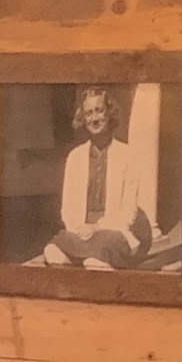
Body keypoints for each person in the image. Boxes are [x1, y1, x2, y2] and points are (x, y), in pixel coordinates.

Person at [41, 85, 161, 267]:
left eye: (99, 111)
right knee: (52, 252)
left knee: (95, 258)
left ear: (109, 113)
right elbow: (68, 207)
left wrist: (96, 227)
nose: (94, 118)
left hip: (114, 231)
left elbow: (128, 213)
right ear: (83, 118)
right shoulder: (75, 157)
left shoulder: (127, 155)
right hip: (80, 232)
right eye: (89, 113)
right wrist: (78, 229)